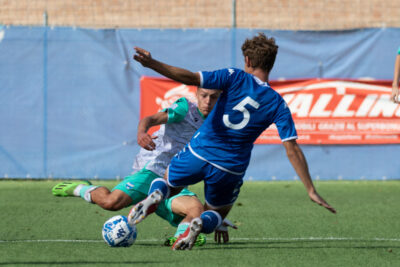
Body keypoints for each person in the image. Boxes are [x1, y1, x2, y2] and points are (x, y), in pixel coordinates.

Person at [128, 33, 337, 250]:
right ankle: (201, 223)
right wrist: (310, 189)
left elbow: (190, 77)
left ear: (247, 60)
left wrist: (152, 64)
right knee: (216, 213)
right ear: (272, 64)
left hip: (200, 151)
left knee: (168, 182)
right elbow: (292, 149)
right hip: (230, 166)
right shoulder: (277, 103)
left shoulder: (234, 76)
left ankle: (156, 195)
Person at [52, 87, 236, 246]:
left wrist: (215, 216)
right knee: (110, 202)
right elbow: (150, 119)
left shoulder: (219, 124)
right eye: (204, 95)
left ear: (221, 98)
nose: (208, 101)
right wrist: (142, 133)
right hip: (153, 170)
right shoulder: (186, 108)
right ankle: (79, 188)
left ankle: (180, 237)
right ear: (196, 93)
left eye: (214, 97)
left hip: (175, 180)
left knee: (196, 210)